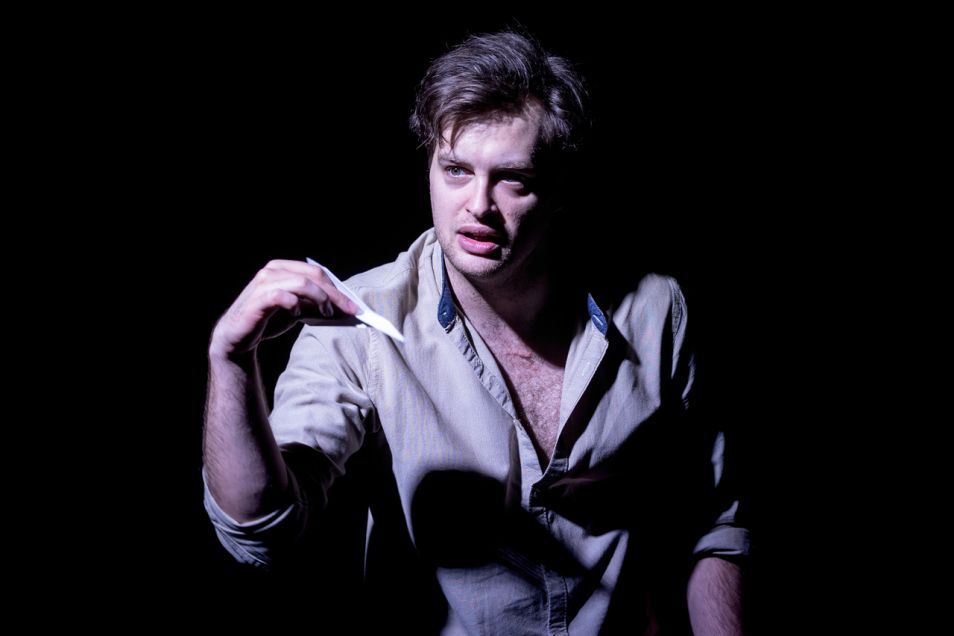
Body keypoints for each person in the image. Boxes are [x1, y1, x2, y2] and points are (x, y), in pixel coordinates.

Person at [203, 30, 749, 634]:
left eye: (513, 178)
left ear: (560, 186)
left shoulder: (655, 309)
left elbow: (715, 525)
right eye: (456, 170)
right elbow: (262, 531)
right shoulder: (360, 321)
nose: (478, 206)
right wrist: (231, 360)